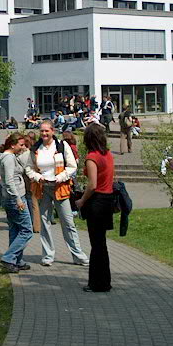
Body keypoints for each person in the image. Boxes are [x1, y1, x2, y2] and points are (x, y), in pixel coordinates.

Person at [27, 119, 89, 267]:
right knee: (44, 222)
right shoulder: (36, 148)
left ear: (52, 131)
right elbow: (29, 168)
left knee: (68, 222)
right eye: (41, 131)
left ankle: (78, 255)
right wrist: (38, 177)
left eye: (46, 131)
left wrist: (60, 177)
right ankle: (48, 255)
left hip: (60, 187)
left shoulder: (62, 145)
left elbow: (72, 165)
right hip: (43, 187)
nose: (44, 134)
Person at [75, 124, 115, 293]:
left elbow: (92, 185)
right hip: (108, 199)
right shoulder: (108, 155)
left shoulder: (92, 157)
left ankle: (96, 283)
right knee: (102, 244)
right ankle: (105, 281)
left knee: (96, 245)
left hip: (97, 201)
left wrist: (81, 201)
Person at [0, 132, 33, 273]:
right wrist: (18, 199)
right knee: (27, 230)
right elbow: (10, 180)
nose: (23, 148)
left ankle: (16, 260)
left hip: (10, 198)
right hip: (15, 198)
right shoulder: (9, 158)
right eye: (21, 145)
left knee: (15, 229)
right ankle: (8, 257)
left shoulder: (6, 157)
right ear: (12, 145)